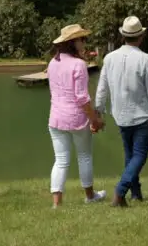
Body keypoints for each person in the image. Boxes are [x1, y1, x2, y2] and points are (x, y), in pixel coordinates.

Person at [94, 16, 148, 207]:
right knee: (139, 156)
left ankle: (136, 194)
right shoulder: (145, 60)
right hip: (142, 116)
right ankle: (120, 192)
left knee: (130, 156)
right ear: (141, 36)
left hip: (120, 116)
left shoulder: (109, 58)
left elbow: (102, 88)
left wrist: (98, 111)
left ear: (123, 36)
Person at [47, 24, 107, 209]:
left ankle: (56, 204)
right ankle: (90, 197)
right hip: (76, 119)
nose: (84, 42)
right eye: (82, 39)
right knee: (84, 157)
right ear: (73, 42)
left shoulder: (52, 62)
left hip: (55, 118)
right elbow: (81, 98)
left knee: (61, 160)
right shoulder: (79, 65)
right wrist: (94, 119)